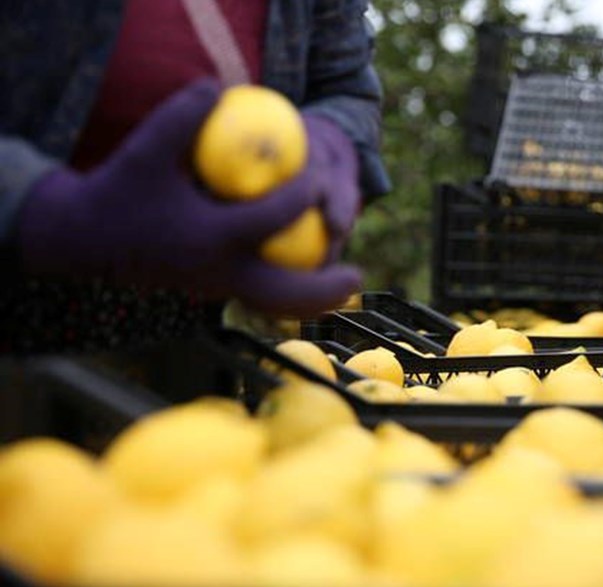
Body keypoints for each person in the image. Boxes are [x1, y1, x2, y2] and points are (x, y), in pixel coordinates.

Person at [0, 0, 390, 353]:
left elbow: (345, 86)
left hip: (185, 328)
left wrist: (331, 137)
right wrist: (45, 210)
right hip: (19, 288)